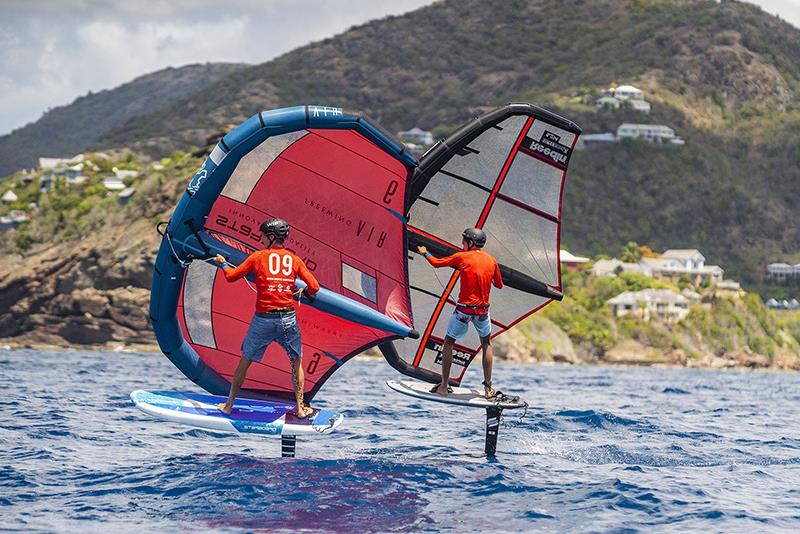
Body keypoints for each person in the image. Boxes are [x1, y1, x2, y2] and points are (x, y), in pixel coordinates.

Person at [213, 217, 320, 418]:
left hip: (263, 320)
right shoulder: (294, 260)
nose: (261, 239)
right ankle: (300, 408)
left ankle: (228, 405)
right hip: (288, 319)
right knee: (295, 362)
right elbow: (314, 287)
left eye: (263, 236)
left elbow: (231, 276)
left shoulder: (258, 257)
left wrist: (222, 263)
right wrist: (301, 292)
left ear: (271, 237)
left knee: (245, 361)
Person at [417, 227, 503, 398]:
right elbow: (499, 285)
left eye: (464, 240)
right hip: (482, 312)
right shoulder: (492, 260)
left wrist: (424, 252)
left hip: (464, 310)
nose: (462, 243)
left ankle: (443, 386)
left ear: (470, 242)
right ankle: (488, 389)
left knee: (448, 343)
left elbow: (436, 262)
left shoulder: (462, 257)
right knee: (486, 344)